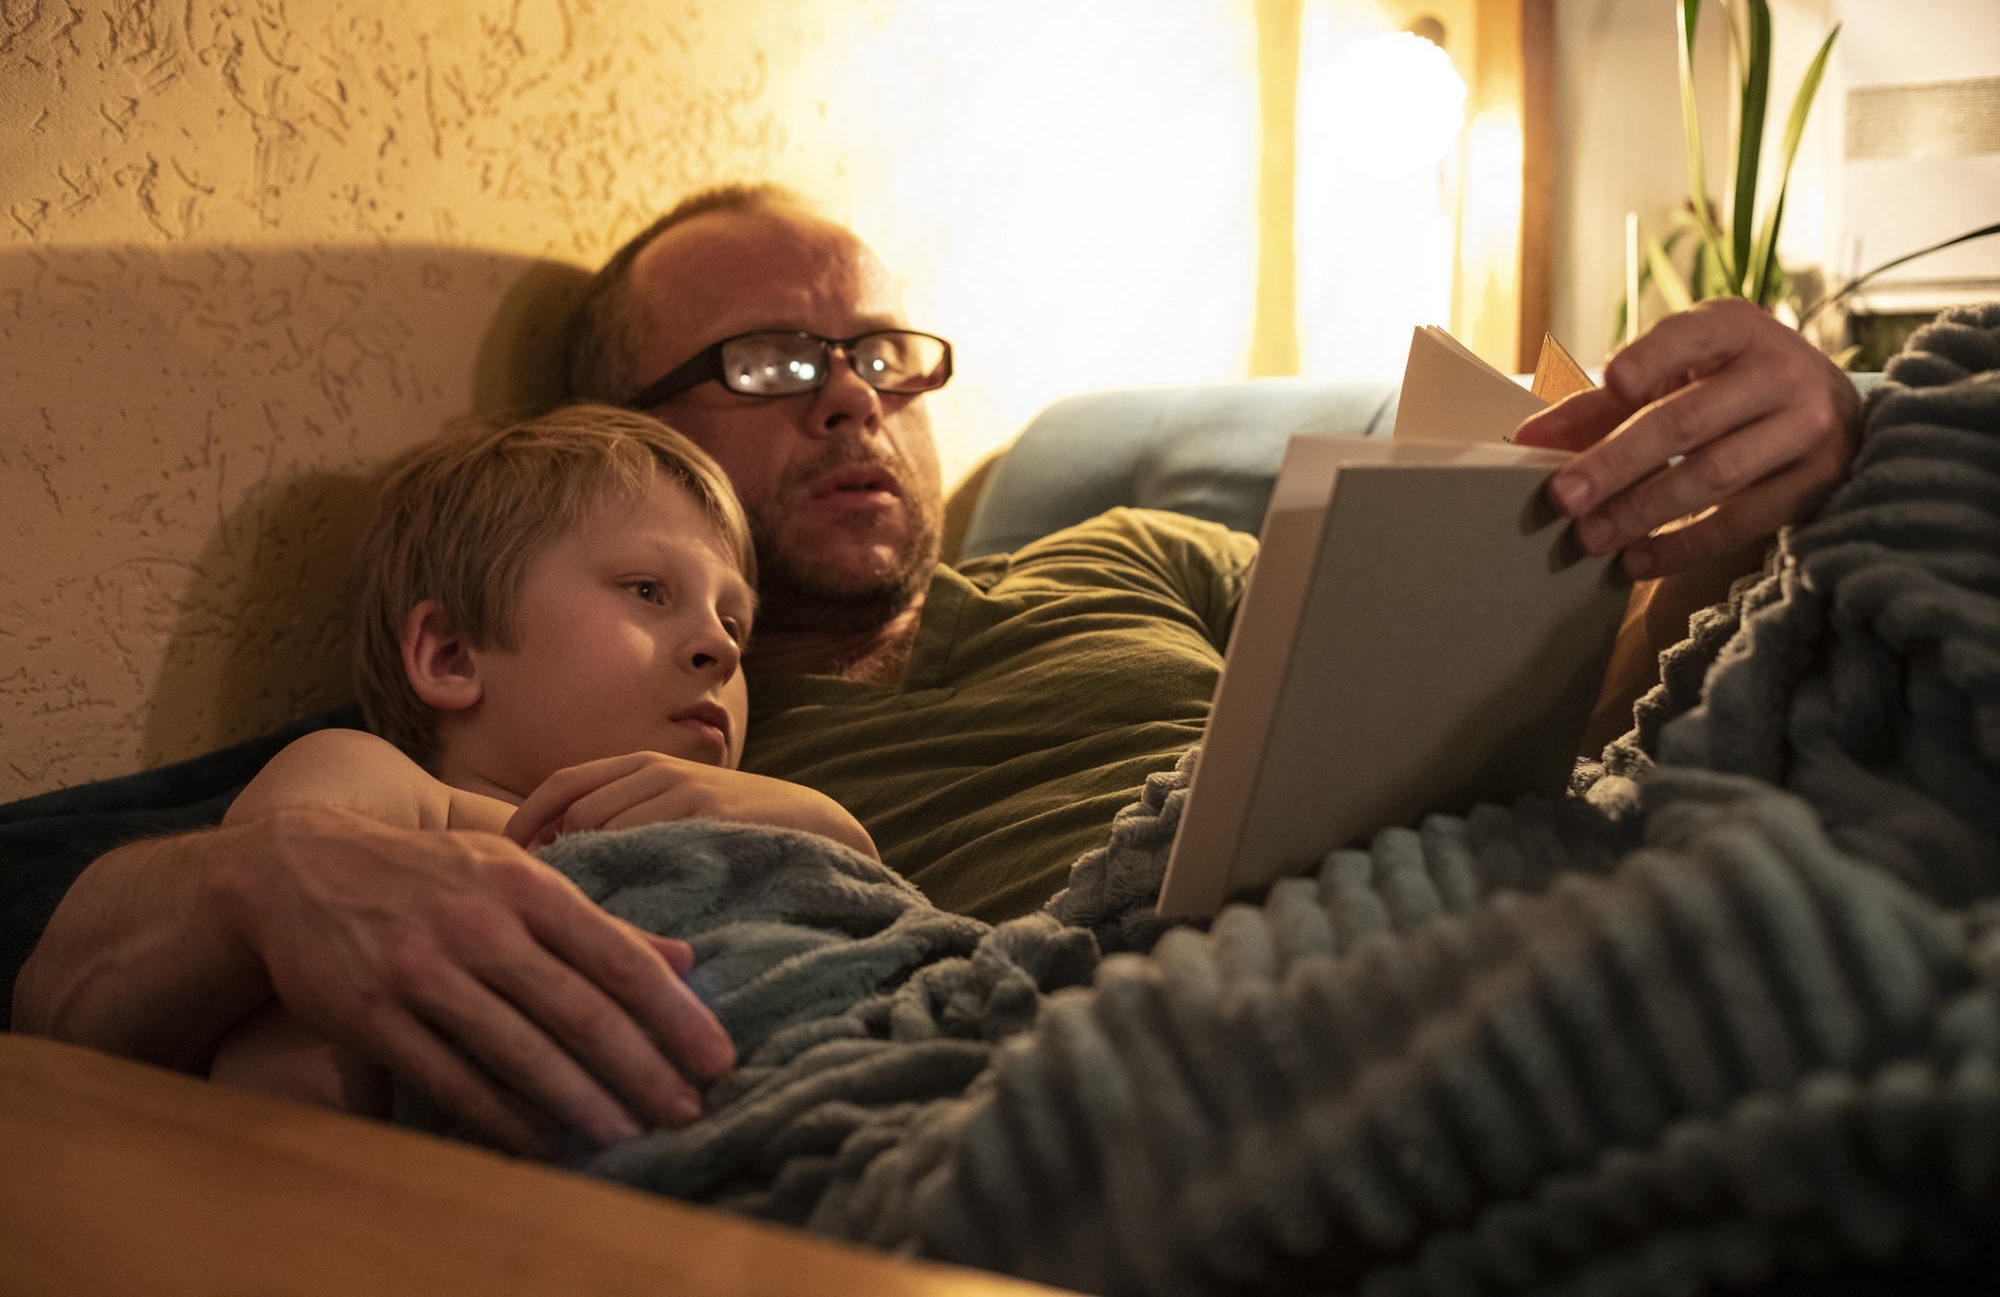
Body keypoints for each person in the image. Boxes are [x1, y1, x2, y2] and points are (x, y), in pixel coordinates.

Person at [13, 182, 1861, 1157]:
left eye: (879, 353)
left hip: (1479, 896)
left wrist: (1722, 535)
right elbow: (135, 943)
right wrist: (266, 875)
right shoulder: (579, 720)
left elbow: (1578, 719)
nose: (847, 394)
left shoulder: (1135, 552)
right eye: (760, 363)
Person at [198, 404, 877, 1134]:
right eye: (648, 590)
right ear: (451, 654)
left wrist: (828, 826)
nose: (722, 645)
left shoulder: (753, 819)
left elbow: (879, 933)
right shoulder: (391, 791)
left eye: (735, 620)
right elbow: (292, 967)